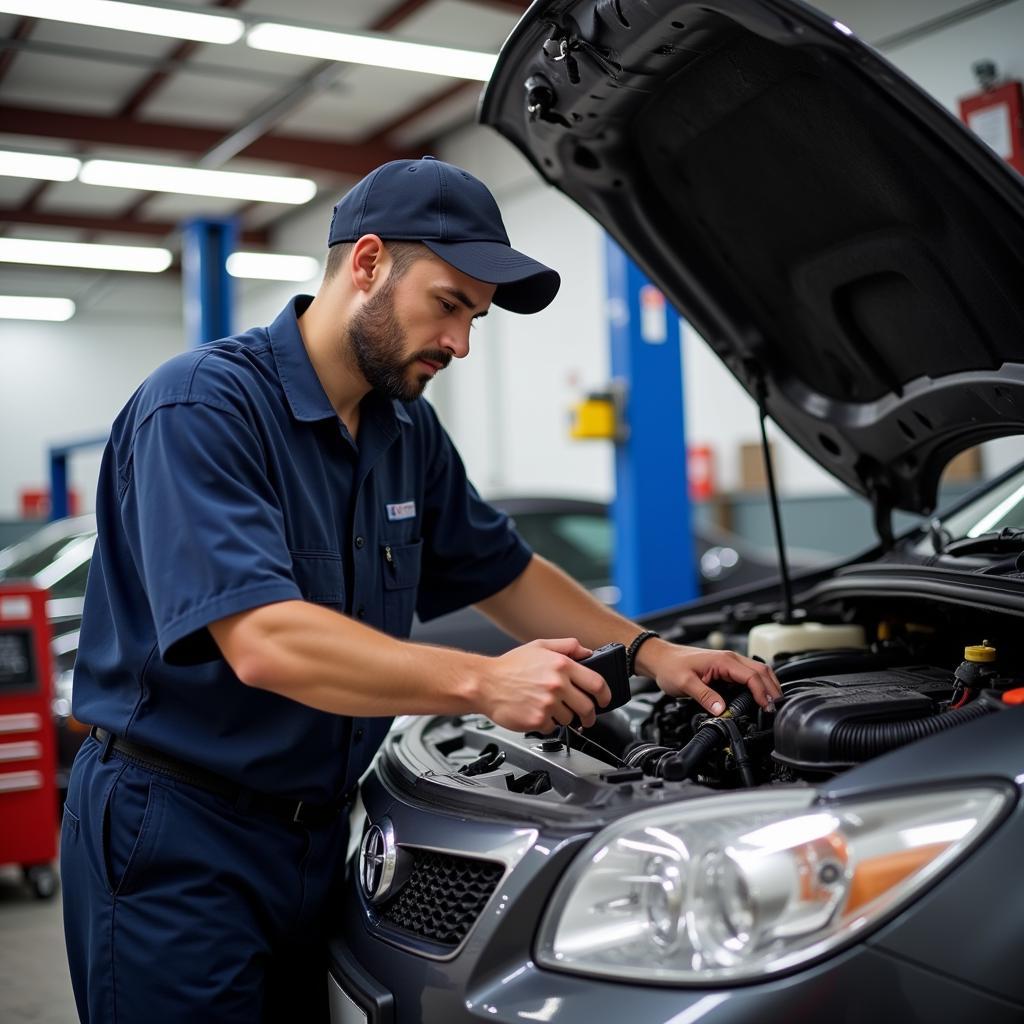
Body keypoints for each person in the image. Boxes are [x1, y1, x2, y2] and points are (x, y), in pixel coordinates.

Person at [61, 156, 781, 1022]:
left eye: (476, 318)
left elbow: (507, 574)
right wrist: (484, 682)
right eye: (448, 304)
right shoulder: (203, 408)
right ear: (366, 263)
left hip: (317, 837)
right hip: (176, 835)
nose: (462, 343)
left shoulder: (405, 429)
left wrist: (652, 652)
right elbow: (263, 641)